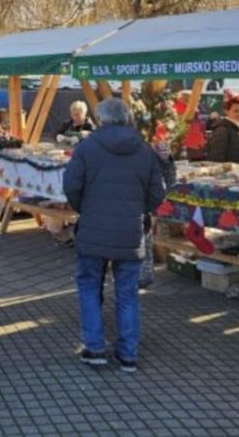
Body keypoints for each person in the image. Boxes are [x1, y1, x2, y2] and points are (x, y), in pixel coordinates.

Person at [62, 99, 165, 373]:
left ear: (100, 119)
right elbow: (158, 192)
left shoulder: (86, 147)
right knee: (127, 293)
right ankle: (128, 353)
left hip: (94, 227)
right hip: (130, 231)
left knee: (88, 287)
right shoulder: (144, 151)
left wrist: (85, 207)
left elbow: (71, 186)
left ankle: (95, 348)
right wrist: (139, 210)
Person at [206, 96, 239, 165]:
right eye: (236, 111)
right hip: (228, 173)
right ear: (226, 111)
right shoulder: (222, 130)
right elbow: (216, 158)